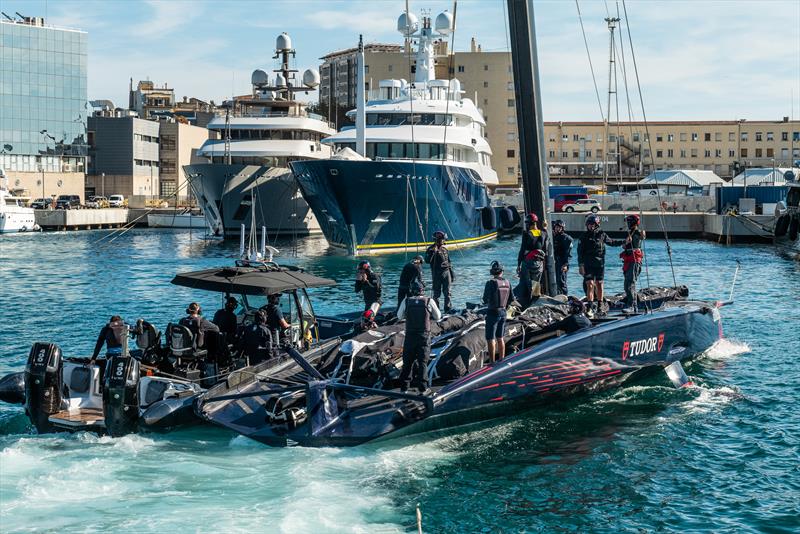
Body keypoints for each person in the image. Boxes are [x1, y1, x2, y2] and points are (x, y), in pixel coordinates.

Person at [396, 281, 442, 393]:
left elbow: (399, 316)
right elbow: (438, 316)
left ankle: (404, 388)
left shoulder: (406, 301)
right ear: (423, 290)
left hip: (410, 335)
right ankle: (423, 389)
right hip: (424, 335)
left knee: (407, 363)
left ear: (412, 290)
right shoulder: (429, 301)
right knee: (423, 362)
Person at [577, 214, 624, 317]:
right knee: (589, 284)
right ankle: (590, 306)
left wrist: (624, 242)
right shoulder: (583, 237)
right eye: (589, 224)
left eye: (593, 224)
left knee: (599, 284)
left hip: (600, 264)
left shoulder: (602, 235)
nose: (591, 226)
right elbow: (580, 253)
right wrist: (581, 266)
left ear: (597, 224)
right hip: (588, 264)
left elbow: (611, 242)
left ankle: (599, 305)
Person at [91, 316, 142, 387]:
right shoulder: (125, 326)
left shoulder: (105, 329)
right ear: (121, 321)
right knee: (139, 356)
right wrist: (140, 322)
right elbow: (139, 331)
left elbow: (99, 344)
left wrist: (94, 358)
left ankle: (102, 385)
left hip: (110, 356)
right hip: (124, 355)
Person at [517, 212, 548, 308]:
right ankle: (534, 303)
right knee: (536, 284)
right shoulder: (543, 233)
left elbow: (523, 249)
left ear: (528, 223)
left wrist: (518, 264)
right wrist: (545, 227)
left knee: (524, 283)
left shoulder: (526, 234)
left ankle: (524, 304)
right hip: (539, 263)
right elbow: (544, 248)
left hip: (528, 262)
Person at [482, 261, 512, 363]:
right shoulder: (508, 282)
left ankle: (492, 362)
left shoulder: (490, 283)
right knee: (500, 337)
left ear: (492, 272)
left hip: (492, 313)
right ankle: (502, 359)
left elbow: (485, 299)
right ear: (502, 272)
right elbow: (512, 299)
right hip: (503, 312)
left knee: (491, 338)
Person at [620, 214, 646, 311]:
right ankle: (631, 302)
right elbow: (625, 244)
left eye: (628, 222)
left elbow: (642, 236)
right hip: (628, 260)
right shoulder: (629, 232)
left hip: (634, 260)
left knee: (630, 282)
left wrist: (642, 233)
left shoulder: (637, 232)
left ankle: (632, 305)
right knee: (627, 284)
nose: (627, 223)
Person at [425, 231, 455, 312]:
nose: (443, 241)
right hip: (436, 274)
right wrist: (432, 253)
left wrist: (452, 274)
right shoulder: (430, 249)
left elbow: (449, 262)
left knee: (447, 293)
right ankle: (436, 310)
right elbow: (427, 260)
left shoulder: (445, 249)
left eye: (443, 239)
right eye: (442, 240)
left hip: (446, 272)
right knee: (436, 294)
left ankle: (448, 309)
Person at [552, 219, 573, 296]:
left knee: (561, 281)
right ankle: (557, 295)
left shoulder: (566, 238)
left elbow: (568, 253)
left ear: (562, 228)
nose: (558, 229)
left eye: (560, 227)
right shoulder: (553, 237)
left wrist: (565, 264)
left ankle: (565, 297)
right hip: (554, 261)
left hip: (562, 262)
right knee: (555, 281)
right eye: (557, 227)